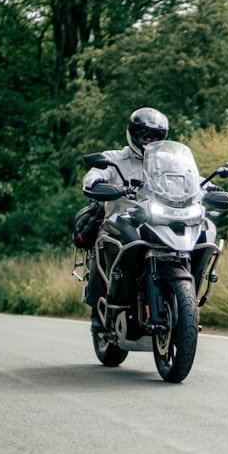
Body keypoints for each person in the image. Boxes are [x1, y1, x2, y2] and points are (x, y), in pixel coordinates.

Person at [80, 107, 171, 329]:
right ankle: (102, 306)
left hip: (157, 219)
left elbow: (190, 178)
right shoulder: (116, 158)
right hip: (121, 219)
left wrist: (206, 185)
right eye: (144, 136)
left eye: (154, 137)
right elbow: (94, 172)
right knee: (113, 243)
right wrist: (96, 182)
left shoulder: (167, 162)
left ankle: (179, 297)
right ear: (133, 134)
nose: (149, 141)